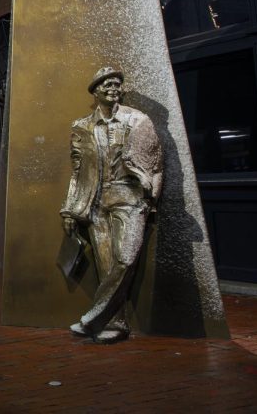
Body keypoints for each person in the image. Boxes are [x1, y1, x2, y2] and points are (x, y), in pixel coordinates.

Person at [60, 66, 163, 343]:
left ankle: (92, 318)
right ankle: (114, 324)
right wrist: (70, 208)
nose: (112, 88)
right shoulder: (82, 126)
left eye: (117, 84)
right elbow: (78, 170)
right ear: (95, 91)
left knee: (126, 258)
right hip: (95, 201)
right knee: (105, 267)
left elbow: (155, 163)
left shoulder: (138, 120)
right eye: (106, 85)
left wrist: (150, 196)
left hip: (129, 199)